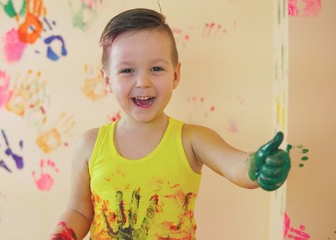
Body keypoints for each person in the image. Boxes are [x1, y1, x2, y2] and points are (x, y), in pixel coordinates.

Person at [50, 8, 291, 240]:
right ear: (107, 80)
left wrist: (256, 166)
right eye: (127, 70)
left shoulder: (192, 140)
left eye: (156, 68)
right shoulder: (90, 145)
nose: (142, 81)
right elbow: (79, 212)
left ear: (175, 75)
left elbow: (235, 165)